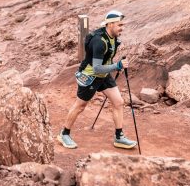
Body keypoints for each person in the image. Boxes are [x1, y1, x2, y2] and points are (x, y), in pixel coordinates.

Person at [57, 10, 138, 150]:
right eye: (120, 25)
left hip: (104, 75)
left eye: (122, 25)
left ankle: (119, 137)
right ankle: (64, 134)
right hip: (90, 76)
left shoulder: (112, 37)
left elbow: (106, 60)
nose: (122, 28)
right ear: (110, 24)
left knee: (118, 102)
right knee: (80, 106)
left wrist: (114, 65)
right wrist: (117, 65)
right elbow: (96, 69)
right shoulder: (99, 41)